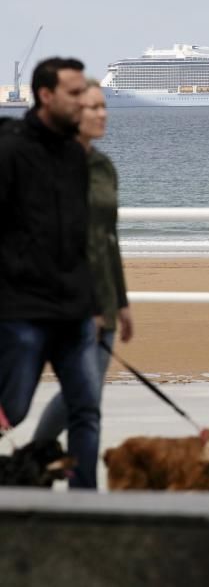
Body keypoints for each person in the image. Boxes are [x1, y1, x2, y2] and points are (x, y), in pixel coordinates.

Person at [0, 58, 100, 489]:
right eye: (74, 94)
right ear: (46, 95)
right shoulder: (11, 150)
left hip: (74, 312)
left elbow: (78, 234)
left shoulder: (76, 155)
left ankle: (85, 504)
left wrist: (93, 301)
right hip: (22, 311)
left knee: (86, 409)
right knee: (11, 409)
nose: (84, 101)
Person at [34, 80, 133, 448]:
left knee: (87, 401)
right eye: (93, 107)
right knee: (77, 398)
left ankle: (76, 490)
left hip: (103, 305)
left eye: (104, 105)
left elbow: (109, 239)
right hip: (62, 305)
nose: (103, 113)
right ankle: (32, 461)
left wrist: (120, 302)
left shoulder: (104, 167)